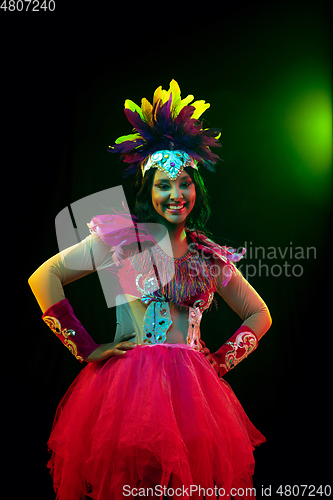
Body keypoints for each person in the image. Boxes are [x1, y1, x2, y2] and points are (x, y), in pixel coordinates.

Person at [28, 80, 272, 500]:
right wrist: (85, 347)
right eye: (164, 185)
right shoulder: (120, 240)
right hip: (128, 394)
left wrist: (218, 362)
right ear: (147, 190)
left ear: (197, 189)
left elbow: (260, 315)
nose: (176, 195)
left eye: (185, 184)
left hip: (197, 398)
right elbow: (42, 277)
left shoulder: (210, 257)